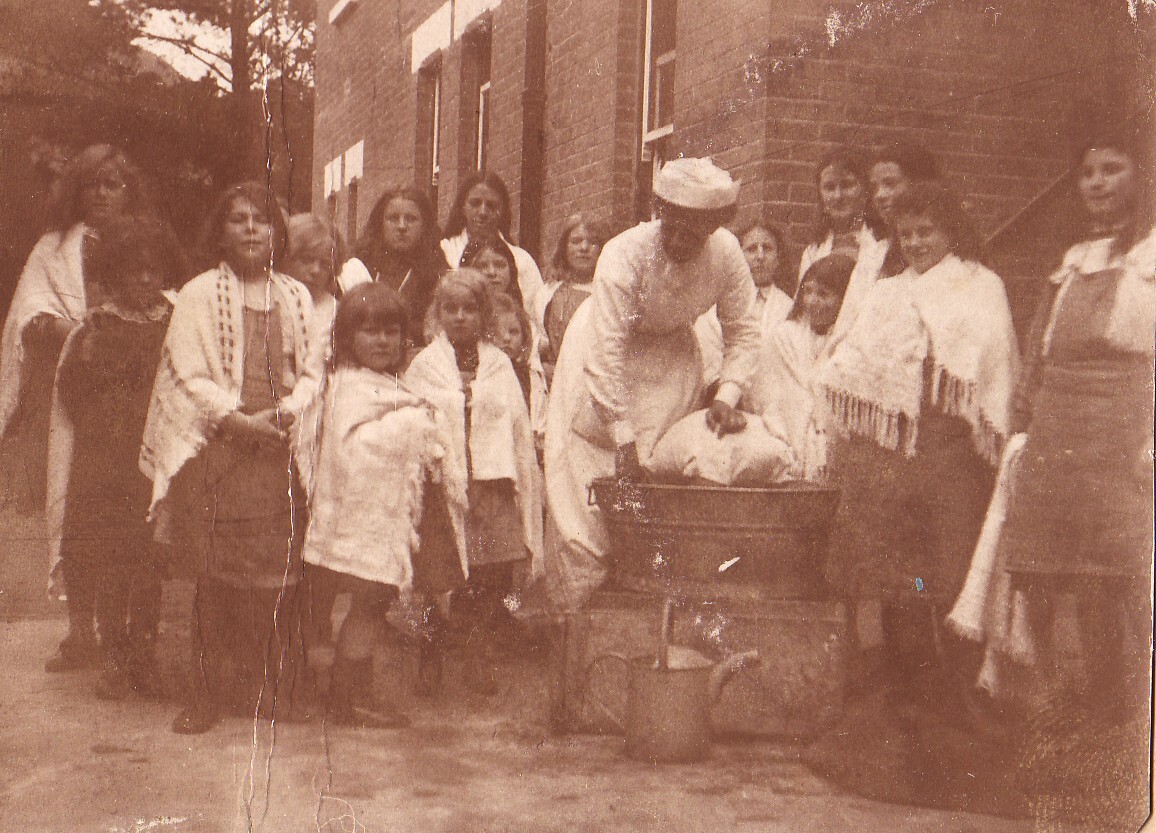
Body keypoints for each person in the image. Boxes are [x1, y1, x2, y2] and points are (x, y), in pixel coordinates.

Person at [989, 117, 1154, 823]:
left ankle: (1124, 747)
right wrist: (1022, 428)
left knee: (1119, 588)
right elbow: (1038, 350)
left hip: (1126, 440)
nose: (1097, 183)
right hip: (1059, 440)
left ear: (1140, 176)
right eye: (1088, 171)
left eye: (1113, 169)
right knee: (1046, 586)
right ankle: (1063, 746)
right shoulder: (1071, 260)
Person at [818, 181, 1019, 711]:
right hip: (890, 456)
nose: (916, 243)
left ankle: (952, 693)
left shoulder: (981, 285)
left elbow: (994, 365)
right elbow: (852, 361)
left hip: (951, 449)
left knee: (948, 568)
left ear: (951, 231)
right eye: (906, 234)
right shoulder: (887, 292)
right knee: (894, 576)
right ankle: (902, 691)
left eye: (926, 231)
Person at [543, 157, 762, 611]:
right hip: (602, 362)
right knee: (587, 502)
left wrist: (727, 395)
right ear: (659, 213)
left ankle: (647, 617)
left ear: (714, 227)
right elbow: (605, 353)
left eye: (694, 233)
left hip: (672, 366)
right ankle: (579, 618)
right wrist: (622, 437)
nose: (681, 241)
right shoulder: (624, 252)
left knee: (657, 487)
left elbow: (744, 330)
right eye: (673, 227)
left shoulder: (726, 254)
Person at [140, 181, 319, 734]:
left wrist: (289, 412)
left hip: (279, 453)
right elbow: (186, 376)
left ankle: (269, 687)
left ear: (276, 233)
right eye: (237, 219)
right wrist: (238, 420)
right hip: (220, 451)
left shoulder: (295, 295)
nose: (250, 228)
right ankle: (205, 693)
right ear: (220, 231)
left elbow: (315, 370)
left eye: (261, 220)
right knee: (215, 580)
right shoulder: (197, 294)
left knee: (277, 580)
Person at [296, 283, 467, 726]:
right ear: (348, 337)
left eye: (391, 332)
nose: (382, 341)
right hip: (356, 520)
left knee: (372, 607)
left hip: (381, 521)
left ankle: (346, 692)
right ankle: (340, 696)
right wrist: (411, 425)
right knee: (355, 605)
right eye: (369, 331)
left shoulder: (389, 383)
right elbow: (351, 448)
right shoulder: (347, 386)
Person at [44, 216, 186, 687]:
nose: (145, 279)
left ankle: (141, 652)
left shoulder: (175, 323)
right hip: (105, 464)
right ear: (113, 274)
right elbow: (70, 390)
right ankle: (112, 653)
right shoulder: (96, 329)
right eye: (133, 270)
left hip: (151, 461)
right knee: (110, 560)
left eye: (153, 269)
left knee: (147, 561)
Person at [405, 270, 543, 694]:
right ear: (439, 312)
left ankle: (478, 654)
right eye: (451, 308)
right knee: (436, 576)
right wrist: (454, 400)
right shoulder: (427, 364)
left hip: (491, 482)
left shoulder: (498, 363)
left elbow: (515, 425)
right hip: (443, 484)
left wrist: (477, 398)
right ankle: (430, 657)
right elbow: (414, 415)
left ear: (483, 314)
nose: (460, 317)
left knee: (491, 578)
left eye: (469, 309)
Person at [0, 145, 151, 514]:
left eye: (112, 184)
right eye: (91, 184)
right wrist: (70, 330)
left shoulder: (145, 245)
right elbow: (27, 318)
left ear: (127, 191)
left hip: (127, 387)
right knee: (61, 499)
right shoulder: (52, 248)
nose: (101, 193)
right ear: (77, 192)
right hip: (64, 385)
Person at [747, 254, 855, 481]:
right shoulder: (785, 336)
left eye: (823, 294)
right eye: (807, 291)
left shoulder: (852, 343)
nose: (811, 301)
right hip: (786, 440)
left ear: (845, 299)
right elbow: (768, 395)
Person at [339, 186, 449, 348]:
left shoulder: (437, 273)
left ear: (425, 226)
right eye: (393, 218)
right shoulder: (358, 267)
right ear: (380, 224)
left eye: (411, 219)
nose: (402, 226)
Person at [440, 172, 544, 318]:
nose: (483, 212)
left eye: (491, 205)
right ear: (462, 207)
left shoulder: (521, 259)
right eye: (475, 203)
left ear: (502, 211)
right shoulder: (443, 251)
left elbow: (534, 315)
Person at [537, 213, 608, 381]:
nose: (584, 248)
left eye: (592, 242)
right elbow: (539, 341)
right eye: (575, 241)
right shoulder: (548, 292)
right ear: (564, 247)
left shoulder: (608, 289)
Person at [798, 149, 882, 282]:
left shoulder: (881, 243)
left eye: (847, 185)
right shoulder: (813, 252)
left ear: (865, 191)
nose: (838, 196)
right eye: (829, 188)